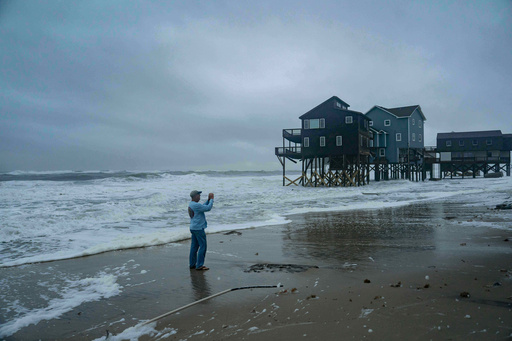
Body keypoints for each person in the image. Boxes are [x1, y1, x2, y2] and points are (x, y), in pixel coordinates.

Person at [188, 190, 214, 271]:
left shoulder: (192, 204)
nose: (199, 197)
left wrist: (208, 200)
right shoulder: (195, 205)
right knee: (203, 246)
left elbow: (202, 207)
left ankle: (192, 264)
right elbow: (208, 208)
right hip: (198, 229)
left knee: (194, 247)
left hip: (193, 228)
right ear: (195, 196)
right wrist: (212, 199)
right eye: (199, 195)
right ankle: (199, 265)